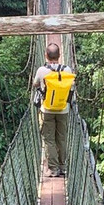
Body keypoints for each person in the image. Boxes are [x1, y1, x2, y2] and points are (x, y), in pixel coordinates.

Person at [33, 43, 75, 177]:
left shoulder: (41, 70)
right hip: (63, 109)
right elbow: (71, 88)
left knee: (49, 140)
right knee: (61, 138)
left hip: (47, 110)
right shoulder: (67, 70)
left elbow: (34, 84)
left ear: (46, 55)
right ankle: (63, 167)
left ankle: (53, 169)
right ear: (60, 55)